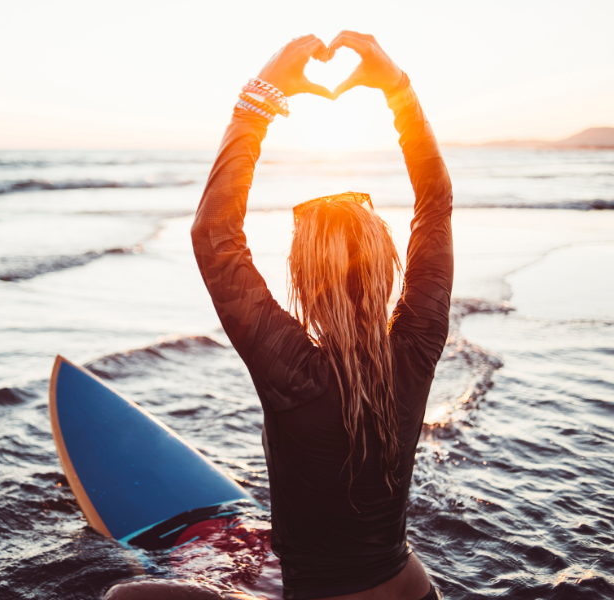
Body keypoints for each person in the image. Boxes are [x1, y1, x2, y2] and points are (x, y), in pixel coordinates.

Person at [107, 31, 451, 600]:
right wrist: (397, 88)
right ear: (388, 262)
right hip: (415, 590)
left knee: (123, 598)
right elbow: (435, 205)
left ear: (304, 282)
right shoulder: (418, 342)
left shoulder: (292, 369)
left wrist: (259, 98)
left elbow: (214, 234)